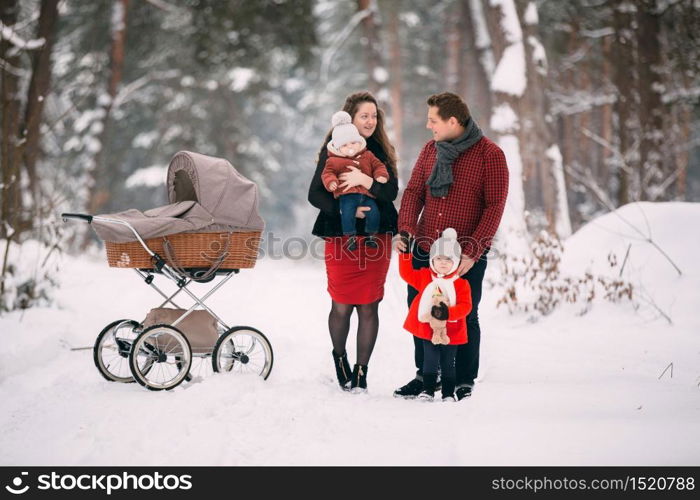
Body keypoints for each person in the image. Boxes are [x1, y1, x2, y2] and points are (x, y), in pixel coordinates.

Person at [394, 92, 509, 401]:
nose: (428, 125)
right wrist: (405, 231)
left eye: (433, 120)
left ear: (453, 121)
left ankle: (462, 379)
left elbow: (494, 207)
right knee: (420, 311)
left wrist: (473, 252)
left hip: (464, 254)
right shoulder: (429, 150)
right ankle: (425, 375)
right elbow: (414, 192)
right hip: (424, 247)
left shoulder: (490, 155)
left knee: (464, 315)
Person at [308, 91, 399, 392]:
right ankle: (340, 357)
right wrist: (348, 209)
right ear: (351, 116)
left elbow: (390, 192)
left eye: (374, 115)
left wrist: (366, 182)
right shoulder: (333, 150)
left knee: (369, 306)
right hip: (341, 236)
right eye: (365, 115)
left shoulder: (380, 152)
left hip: (376, 238)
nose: (370, 121)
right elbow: (316, 194)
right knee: (342, 305)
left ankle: (362, 372)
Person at [397, 228, 472, 401]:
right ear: (432, 260)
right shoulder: (425, 276)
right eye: (438, 258)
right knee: (429, 360)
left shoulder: (461, 284)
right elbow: (406, 273)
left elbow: (466, 306)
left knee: (448, 362)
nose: (443, 263)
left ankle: (448, 393)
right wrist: (406, 253)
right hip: (427, 328)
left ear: (456, 261)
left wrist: (448, 312)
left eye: (448, 259)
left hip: (452, 329)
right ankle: (428, 390)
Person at [321, 111, 389, 250]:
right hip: (347, 195)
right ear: (338, 148)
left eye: (353, 142)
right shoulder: (333, 161)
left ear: (359, 142)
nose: (351, 147)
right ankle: (350, 237)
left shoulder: (368, 155)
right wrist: (331, 182)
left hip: (366, 195)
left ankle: (371, 236)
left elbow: (378, 165)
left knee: (374, 212)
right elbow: (327, 174)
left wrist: (380, 175)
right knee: (347, 213)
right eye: (345, 145)